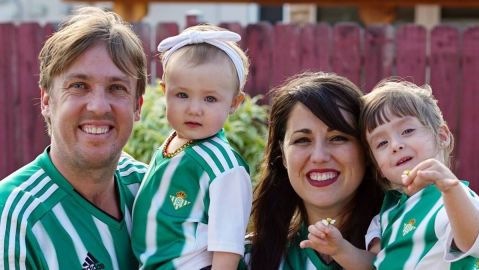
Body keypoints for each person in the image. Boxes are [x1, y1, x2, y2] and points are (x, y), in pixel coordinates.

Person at [0, 6, 148, 270]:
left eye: (117, 88)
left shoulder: (150, 190)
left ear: (137, 106)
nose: (99, 106)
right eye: (79, 86)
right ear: (47, 100)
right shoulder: (14, 216)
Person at [131, 24, 252, 270]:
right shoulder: (173, 143)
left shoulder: (223, 166)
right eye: (182, 95)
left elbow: (228, 246)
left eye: (210, 99)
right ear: (165, 91)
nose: (194, 109)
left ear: (234, 103)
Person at [240, 72, 384, 270]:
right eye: (302, 140)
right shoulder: (246, 259)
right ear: (282, 154)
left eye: (338, 137)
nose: (319, 156)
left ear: (367, 149)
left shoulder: (409, 243)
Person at [358, 79, 479, 269]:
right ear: (377, 167)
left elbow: (472, 241)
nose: (396, 145)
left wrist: (450, 187)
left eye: (407, 130)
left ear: (442, 136)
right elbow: (373, 265)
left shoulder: (454, 199)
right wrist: (338, 248)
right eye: (382, 143)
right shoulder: (385, 215)